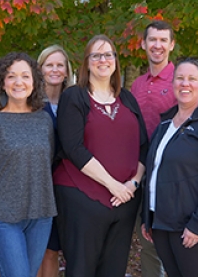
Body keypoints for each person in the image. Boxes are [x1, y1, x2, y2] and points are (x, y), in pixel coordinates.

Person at [54, 34, 148, 277]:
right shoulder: (74, 97)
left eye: (108, 54)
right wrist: (113, 185)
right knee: (81, 270)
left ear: (115, 61)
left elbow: (144, 147)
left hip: (125, 201)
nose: (103, 60)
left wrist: (132, 184)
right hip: (82, 201)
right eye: (96, 55)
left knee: (113, 271)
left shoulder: (127, 98)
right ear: (86, 62)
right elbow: (73, 147)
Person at [141, 58, 198, 277]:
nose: (185, 84)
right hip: (162, 223)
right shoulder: (165, 123)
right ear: (173, 84)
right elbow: (154, 171)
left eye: (192, 79)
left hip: (191, 226)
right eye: (180, 78)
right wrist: (147, 217)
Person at [0, 52, 56, 277]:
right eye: (11, 76)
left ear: (34, 82)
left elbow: (47, 161)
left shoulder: (44, 120)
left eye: (25, 76)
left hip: (40, 214)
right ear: (2, 82)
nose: (19, 82)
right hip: (3, 217)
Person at [130, 20, 176, 277]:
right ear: (143, 44)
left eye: (162, 40)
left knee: (168, 242)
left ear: (171, 45)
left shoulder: (181, 81)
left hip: (170, 175)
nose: (157, 45)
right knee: (146, 239)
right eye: (152, 40)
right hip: (140, 172)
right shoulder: (137, 85)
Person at [36, 44, 75, 277]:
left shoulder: (75, 101)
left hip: (68, 184)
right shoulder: (30, 104)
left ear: (67, 69)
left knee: (56, 248)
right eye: (49, 64)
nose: (55, 69)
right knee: (41, 249)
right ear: (40, 69)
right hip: (38, 184)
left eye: (60, 64)